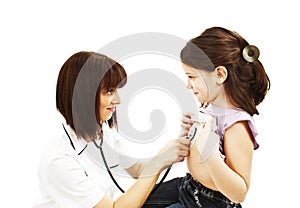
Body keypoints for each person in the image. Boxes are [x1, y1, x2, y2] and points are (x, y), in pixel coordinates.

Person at [33, 51, 191, 208]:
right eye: (109, 92)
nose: (118, 100)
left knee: (181, 190)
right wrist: (158, 163)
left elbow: (137, 170)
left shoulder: (102, 133)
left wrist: (169, 151)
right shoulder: (59, 160)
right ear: (85, 96)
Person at [143, 26, 270, 208]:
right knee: (137, 200)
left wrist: (209, 153)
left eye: (192, 77)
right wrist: (189, 134)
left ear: (219, 75)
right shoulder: (213, 107)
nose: (188, 85)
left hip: (211, 202)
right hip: (189, 186)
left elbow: (239, 192)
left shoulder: (237, 125)